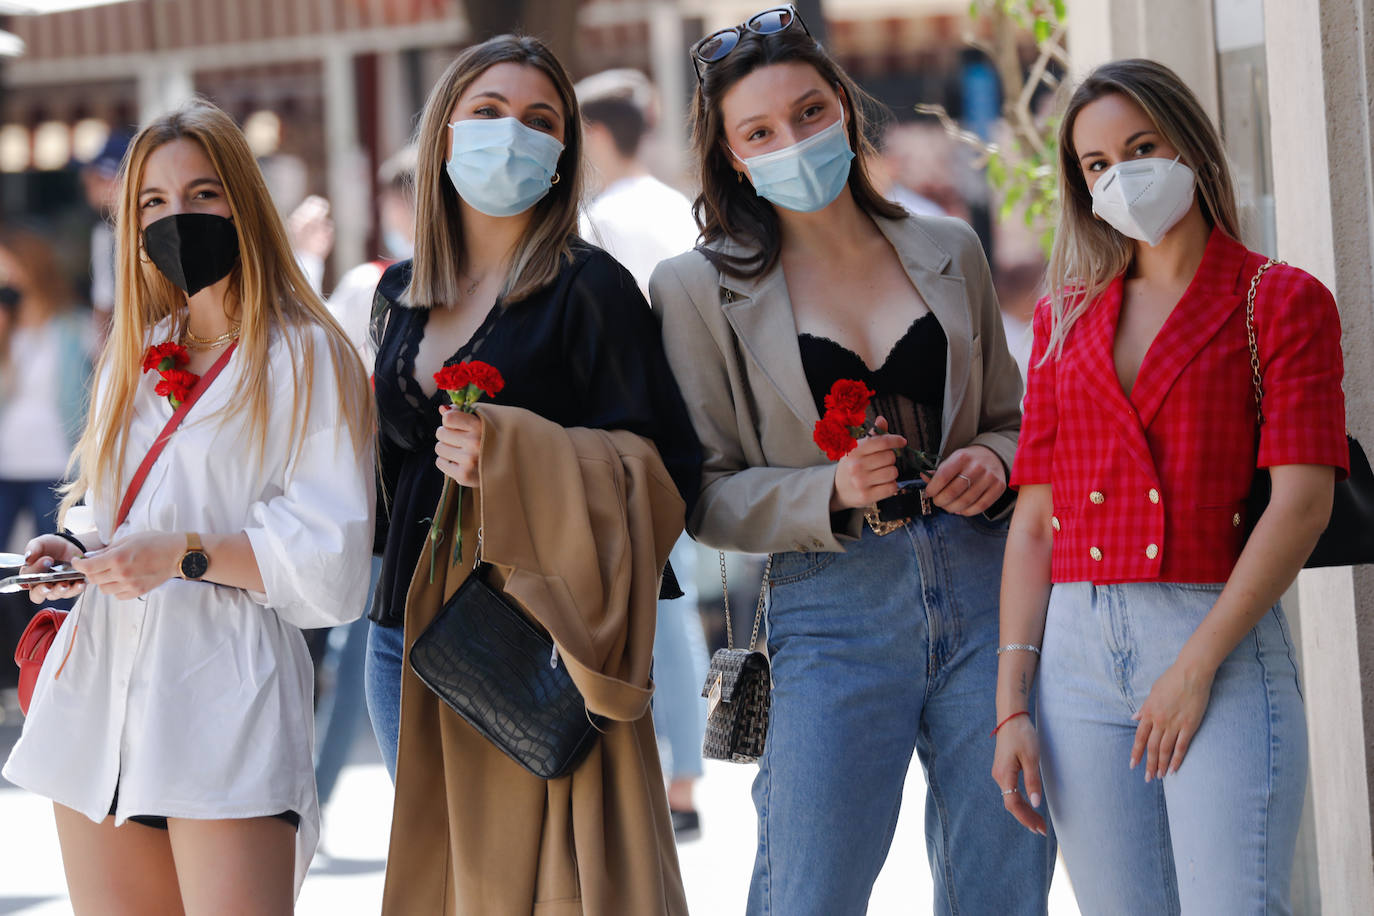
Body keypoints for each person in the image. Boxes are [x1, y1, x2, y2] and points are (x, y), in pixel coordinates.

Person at [650, 8, 1054, 915]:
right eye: (759, 131)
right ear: (732, 154)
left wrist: (993, 460)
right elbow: (703, 494)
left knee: (1004, 881)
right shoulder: (695, 287)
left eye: (808, 113)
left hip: (988, 593)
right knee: (808, 891)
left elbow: (1013, 421)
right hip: (829, 614)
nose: (791, 140)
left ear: (843, 106)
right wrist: (825, 488)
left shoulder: (948, 247)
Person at [992, 59, 1347, 914]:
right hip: (1072, 664)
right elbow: (1035, 523)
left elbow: (1303, 503)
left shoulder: (1280, 301)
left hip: (1213, 645)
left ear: (1189, 144)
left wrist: (1193, 669)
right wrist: (1010, 709)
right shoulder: (1062, 318)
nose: (1121, 174)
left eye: (1141, 146)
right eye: (1097, 164)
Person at [2, 100, 375, 913]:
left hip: (224, 704)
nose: (179, 217)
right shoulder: (132, 354)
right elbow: (114, 514)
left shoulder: (306, 356)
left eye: (203, 194)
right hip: (94, 704)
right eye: (153, 203)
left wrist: (181, 553)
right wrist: (78, 553)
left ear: (244, 201)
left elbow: (335, 567)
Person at [368, 35, 699, 913]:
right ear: (444, 134)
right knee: (445, 889)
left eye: (538, 120)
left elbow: (669, 477)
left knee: (536, 891)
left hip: (533, 643)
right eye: (487, 113)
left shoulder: (591, 289)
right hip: (398, 641)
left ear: (563, 156)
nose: (511, 134)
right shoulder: (399, 291)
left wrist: (513, 453)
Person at [576, 67, 709, 838]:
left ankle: (678, 782)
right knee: (675, 604)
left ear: (594, 136)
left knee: (656, 608)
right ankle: (684, 773)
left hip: (637, 445)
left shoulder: (605, 221)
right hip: (695, 434)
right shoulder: (676, 208)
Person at [0, 228, 93, 551]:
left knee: (56, 562)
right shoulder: (7, 327)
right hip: (6, 461)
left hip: (56, 463)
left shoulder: (74, 326)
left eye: (9, 268)